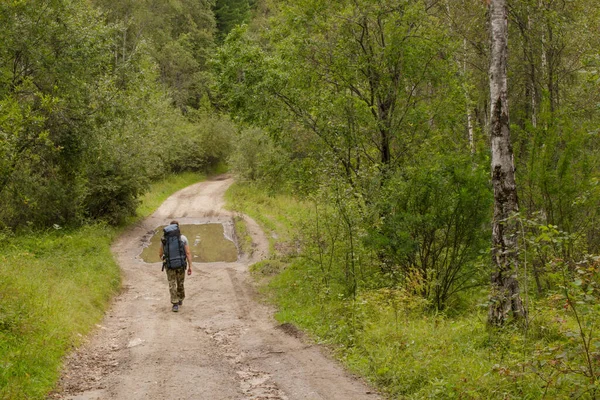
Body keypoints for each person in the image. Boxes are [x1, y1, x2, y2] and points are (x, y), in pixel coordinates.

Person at [159, 220, 192, 312]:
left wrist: (166, 260)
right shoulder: (183, 238)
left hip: (169, 265)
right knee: (180, 282)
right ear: (178, 227)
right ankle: (180, 298)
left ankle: (175, 304)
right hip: (181, 264)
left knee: (172, 283)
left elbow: (160, 254)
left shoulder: (164, 239)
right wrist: (190, 266)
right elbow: (188, 253)